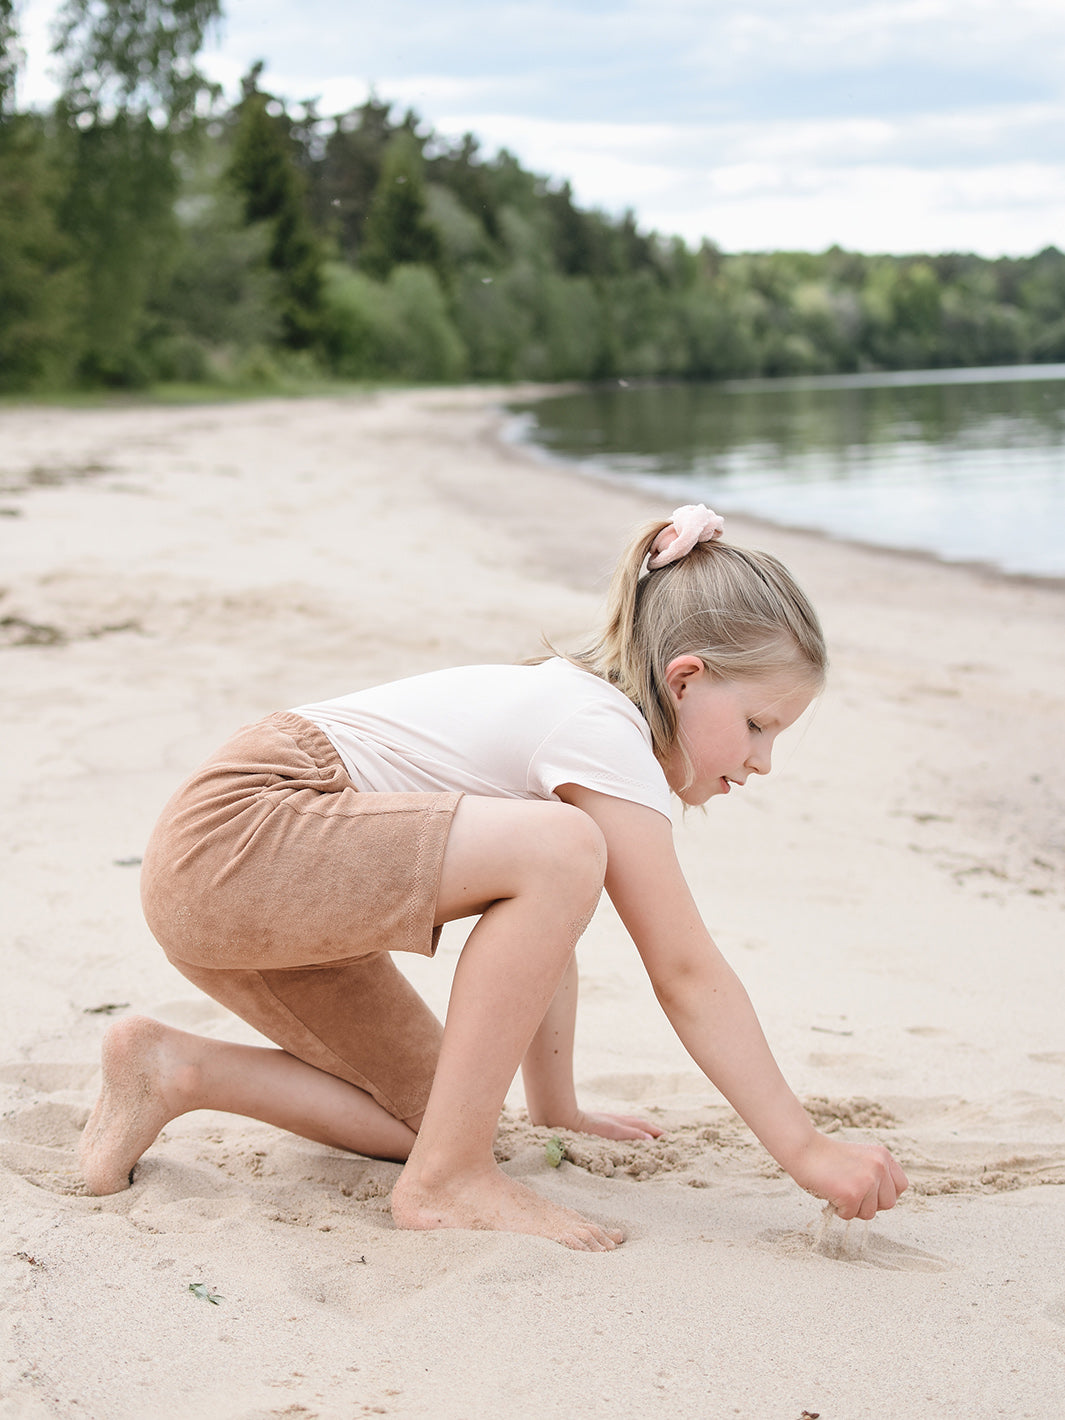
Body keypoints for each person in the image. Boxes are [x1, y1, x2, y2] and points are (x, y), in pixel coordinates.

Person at [79, 505, 908, 1252]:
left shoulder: (582, 728)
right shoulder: (600, 729)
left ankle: (175, 1069)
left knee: (431, 1116)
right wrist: (804, 1148)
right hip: (242, 833)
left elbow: (548, 929)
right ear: (684, 679)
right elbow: (684, 971)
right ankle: (447, 1182)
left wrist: (558, 1111)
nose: (762, 760)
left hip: (259, 897)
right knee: (563, 849)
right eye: (757, 725)